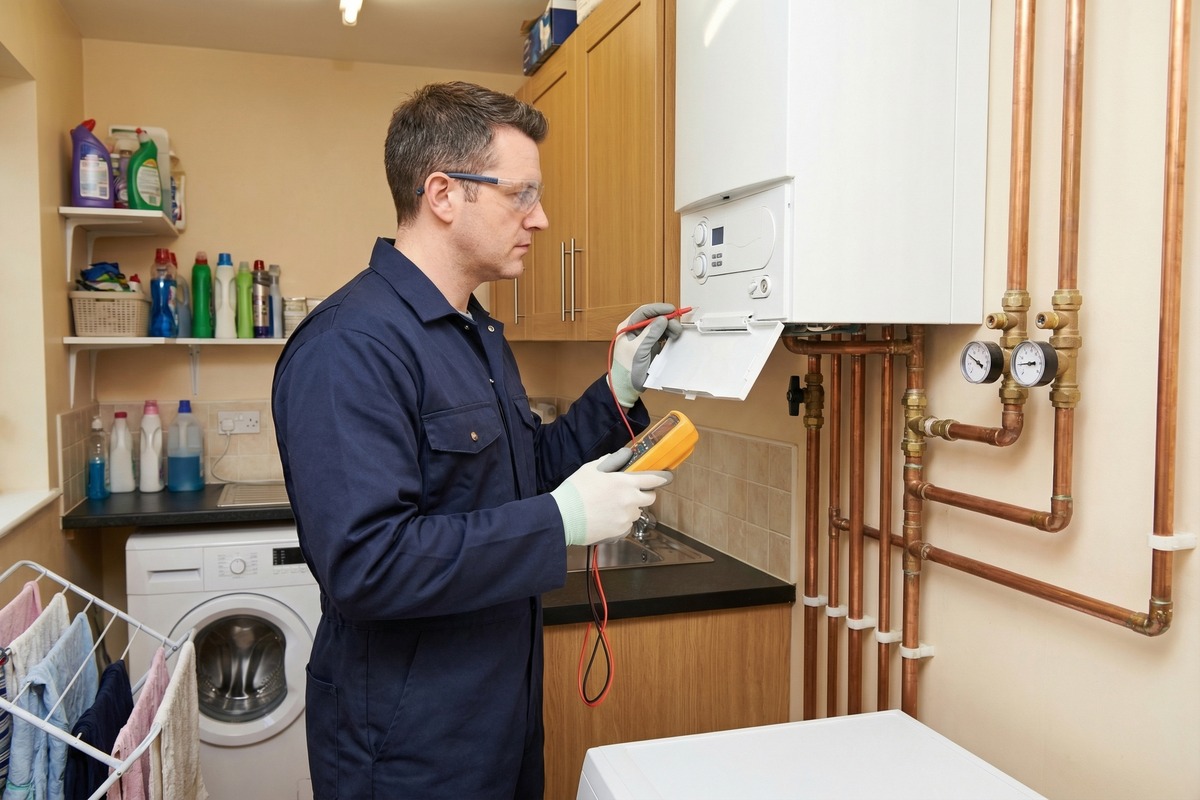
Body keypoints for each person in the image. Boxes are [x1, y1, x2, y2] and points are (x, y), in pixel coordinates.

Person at [272, 81, 682, 799]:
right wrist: (562, 522)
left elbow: (522, 477)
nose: (542, 218)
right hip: (405, 748)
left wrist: (615, 393)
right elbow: (367, 563)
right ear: (442, 193)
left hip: (500, 718)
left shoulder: (476, 335)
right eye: (521, 194)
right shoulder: (349, 346)